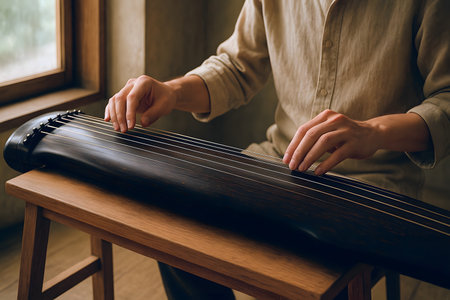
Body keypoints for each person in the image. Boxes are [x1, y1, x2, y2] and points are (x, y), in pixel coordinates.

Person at [105, 1, 450, 299]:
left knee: (315, 272)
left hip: (375, 180)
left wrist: (372, 131)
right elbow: (236, 67)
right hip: (279, 160)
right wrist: (172, 90)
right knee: (174, 228)